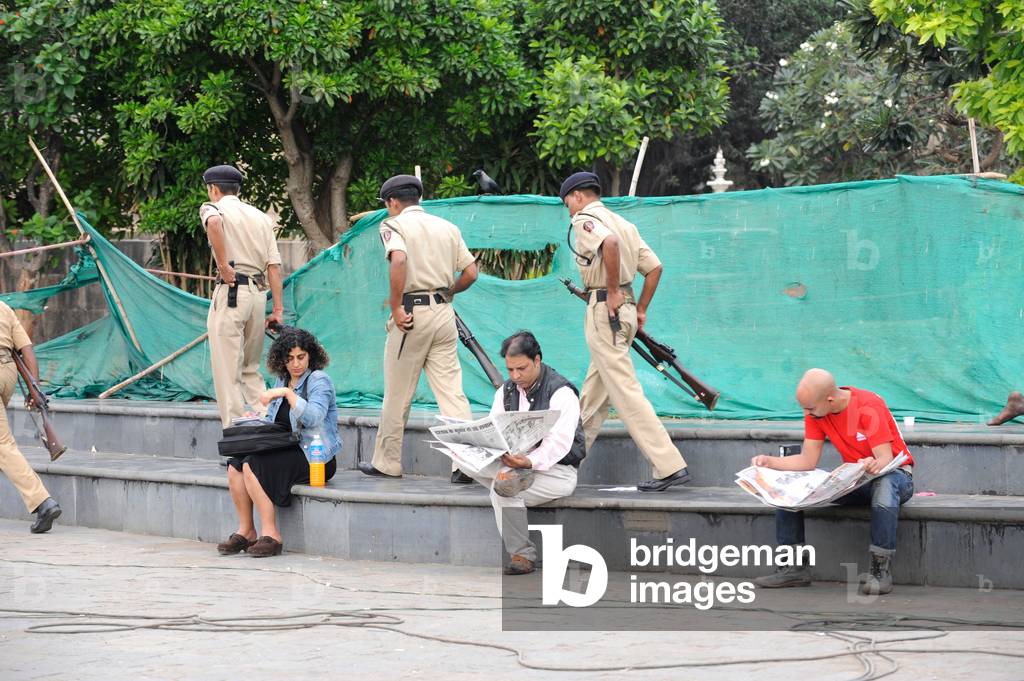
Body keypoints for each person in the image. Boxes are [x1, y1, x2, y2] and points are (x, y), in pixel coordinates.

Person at [559, 171, 690, 492]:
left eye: (568, 205)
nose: (570, 212)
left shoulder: (585, 219)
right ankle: (568, 457)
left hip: (606, 309)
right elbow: (655, 268)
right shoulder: (624, 223)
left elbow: (610, 244)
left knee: (625, 391)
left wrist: (613, 290)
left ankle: (669, 464)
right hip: (625, 311)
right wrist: (640, 308)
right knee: (595, 392)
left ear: (577, 196)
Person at [358, 174, 479, 483]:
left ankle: (388, 463)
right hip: (444, 313)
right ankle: (466, 462)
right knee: (452, 392)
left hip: (412, 314)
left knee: (398, 392)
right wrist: (448, 292)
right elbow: (471, 272)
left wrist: (397, 307)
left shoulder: (394, 225)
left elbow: (398, 260)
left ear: (393, 202)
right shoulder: (447, 228)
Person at [752, 368, 915, 595]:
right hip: (855, 481)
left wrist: (870, 463)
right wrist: (770, 462)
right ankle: (793, 567)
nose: (807, 413)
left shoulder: (867, 405)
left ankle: (880, 570)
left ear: (830, 399)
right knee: (789, 485)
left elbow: (885, 459)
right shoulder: (816, 412)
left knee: (884, 484)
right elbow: (808, 460)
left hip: (896, 476)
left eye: (810, 408)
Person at [468, 331, 585, 575]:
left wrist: (528, 462)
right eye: (510, 370)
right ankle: (514, 476)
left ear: (537, 360)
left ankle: (522, 555)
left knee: (501, 489)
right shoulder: (506, 391)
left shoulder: (561, 392)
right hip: (514, 463)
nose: (515, 376)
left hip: (556, 472)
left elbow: (559, 444)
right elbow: (495, 427)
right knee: (467, 464)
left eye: (521, 368)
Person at [218, 327, 340, 557]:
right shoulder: (282, 380)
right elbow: (277, 421)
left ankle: (272, 535)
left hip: (315, 457)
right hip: (286, 447)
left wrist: (287, 393)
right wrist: (252, 420)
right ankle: (247, 531)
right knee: (235, 465)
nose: (296, 364)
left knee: (252, 464)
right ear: (282, 359)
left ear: (310, 355)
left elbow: (314, 417)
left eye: (301, 357)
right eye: (290, 358)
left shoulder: (318, 381)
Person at [200, 164, 285, 428]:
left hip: (232, 291)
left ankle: (236, 438)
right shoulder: (261, 217)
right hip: (258, 295)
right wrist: (278, 309)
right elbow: (274, 267)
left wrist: (224, 266)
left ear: (213, 189)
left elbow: (213, 223)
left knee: (227, 372)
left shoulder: (213, 208)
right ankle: (268, 423)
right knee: (250, 369)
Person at [0, 301, 61, 533]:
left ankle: (42, 502)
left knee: (2, 444)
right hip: (7, 374)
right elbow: (26, 350)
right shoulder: (4, 308)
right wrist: (34, 387)